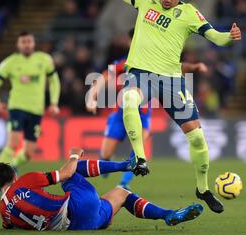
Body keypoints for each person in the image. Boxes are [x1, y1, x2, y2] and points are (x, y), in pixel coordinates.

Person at [109, 0, 242, 213]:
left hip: (172, 82)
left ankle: (202, 188)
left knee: (198, 139)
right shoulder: (146, 0)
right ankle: (140, 158)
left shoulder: (189, 13)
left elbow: (215, 37)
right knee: (128, 100)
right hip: (141, 73)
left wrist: (230, 37)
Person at [86, 28, 208, 190]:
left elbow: (177, 67)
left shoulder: (156, 58)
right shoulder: (126, 61)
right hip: (120, 114)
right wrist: (92, 97)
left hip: (143, 116)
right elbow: (104, 76)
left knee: (138, 150)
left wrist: (194, 67)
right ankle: (107, 163)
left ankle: (124, 184)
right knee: (106, 154)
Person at [0, 148, 203, 230]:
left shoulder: (3, 213)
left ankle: (169, 215)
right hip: (77, 208)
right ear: (14, 176)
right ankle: (125, 165)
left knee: (121, 194)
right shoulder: (25, 180)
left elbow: (8, 225)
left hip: (77, 226)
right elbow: (64, 174)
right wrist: (74, 155)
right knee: (71, 171)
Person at [0, 32, 61, 193]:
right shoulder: (10, 63)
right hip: (17, 108)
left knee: (28, 153)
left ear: (33, 43)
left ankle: (12, 166)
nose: (26, 44)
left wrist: (54, 102)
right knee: (13, 144)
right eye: (23, 42)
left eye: (29, 41)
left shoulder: (44, 60)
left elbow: (54, 81)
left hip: (36, 110)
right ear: (18, 44)